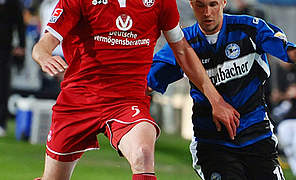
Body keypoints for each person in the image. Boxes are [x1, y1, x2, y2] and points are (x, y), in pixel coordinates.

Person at [31, 0, 239, 179]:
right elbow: (43, 45)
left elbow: (182, 50)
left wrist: (216, 100)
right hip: (78, 101)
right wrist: (44, 57)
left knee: (143, 154)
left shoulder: (160, 2)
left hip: (128, 101)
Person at [147, 0, 296, 179]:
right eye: (200, 5)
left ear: (223, 2)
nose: (207, 12)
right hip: (213, 142)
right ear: (191, 4)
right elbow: (148, 83)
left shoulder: (249, 29)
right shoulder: (182, 44)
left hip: (257, 135)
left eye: (213, 4)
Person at [0, 0, 25, 137]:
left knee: (2, 87)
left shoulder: (13, 3)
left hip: (4, 50)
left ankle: (1, 122)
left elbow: (20, 24)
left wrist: (22, 45)